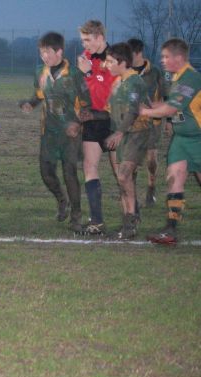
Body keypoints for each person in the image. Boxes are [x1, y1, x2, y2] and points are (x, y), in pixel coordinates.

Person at [20, 32, 90, 232]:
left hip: (70, 134)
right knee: (46, 173)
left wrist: (77, 123)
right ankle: (62, 199)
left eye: (47, 52)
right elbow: (39, 95)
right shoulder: (40, 72)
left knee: (70, 173)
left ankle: (76, 217)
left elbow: (87, 105)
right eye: (41, 53)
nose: (44, 56)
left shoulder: (75, 75)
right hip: (49, 132)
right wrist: (30, 104)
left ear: (59, 51)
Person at [140, 38, 201, 245]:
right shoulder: (178, 78)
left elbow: (172, 109)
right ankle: (171, 229)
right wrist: (148, 103)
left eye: (167, 56)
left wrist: (145, 111)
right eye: (162, 56)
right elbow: (167, 104)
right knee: (175, 178)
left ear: (180, 58)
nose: (163, 60)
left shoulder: (191, 78)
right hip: (182, 139)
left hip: (199, 139)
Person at [104, 42, 151, 240]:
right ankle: (129, 220)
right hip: (123, 134)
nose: (106, 65)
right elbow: (111, 110)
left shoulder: (134, 82)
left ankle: (131, 220)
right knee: (124, 178)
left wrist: (119, 132)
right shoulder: (118, 82)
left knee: (123, 175)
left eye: (110, 61)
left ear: (122, 62)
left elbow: (132, 111)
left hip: (136, 134)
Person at [77, 20, 118, 235]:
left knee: (122, 174)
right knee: (89, 166)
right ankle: (97, 220)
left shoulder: (114, 58)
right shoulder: (87, 58)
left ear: (100, 37)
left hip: (113, 121)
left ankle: (132, 216)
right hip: (92, 121)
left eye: (88, 40)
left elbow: (104, 97)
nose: (85, 44)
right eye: (83, 40)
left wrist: (88, 74)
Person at [127, 38, 169, 207]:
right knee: (133, 162)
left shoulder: (156, 72)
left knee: (151, 159)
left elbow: (167, 96)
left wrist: (171, 121)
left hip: (153, 123)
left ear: (138, 53)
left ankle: (151, 185)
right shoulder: (125, 72)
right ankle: (133, 195)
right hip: (133, 124)